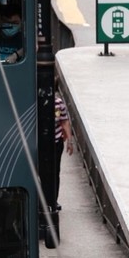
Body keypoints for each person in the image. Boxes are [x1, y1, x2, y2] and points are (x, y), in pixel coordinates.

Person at [54, 79, 74, 210]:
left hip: (55, 142)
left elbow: (64, 121)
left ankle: (53, 199)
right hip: (38, 144)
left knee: (55, 171)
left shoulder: (58, 103)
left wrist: (69, 141)